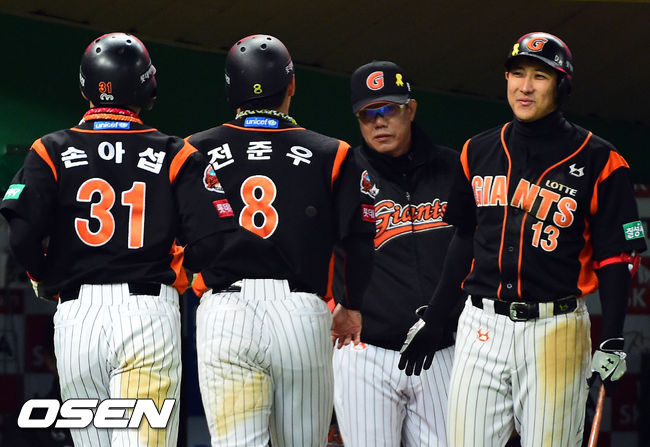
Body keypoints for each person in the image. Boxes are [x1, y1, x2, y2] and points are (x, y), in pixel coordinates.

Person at [398, 31, 646, 446]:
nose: (525, 87)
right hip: (481, 325)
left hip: (555, 329)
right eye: (517, 73)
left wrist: (613, 336)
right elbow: (464, 239)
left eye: (540, 76)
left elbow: (615, 258)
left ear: (561, 86)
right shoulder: (477, 150)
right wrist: (437, 315)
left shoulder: (600, 159)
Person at [0, 32, 239, 446]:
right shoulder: (176, 152)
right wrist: (181, 268)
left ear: (85, 87)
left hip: (78, 317)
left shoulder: (49, 149)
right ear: (147, 87)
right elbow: (214, 240)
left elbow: (20, 234)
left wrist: (42, 275)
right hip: (147, 314)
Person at [186, 35, 376, 447]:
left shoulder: (194, 150)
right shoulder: (332, 152)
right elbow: (359, 238)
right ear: (291, 84)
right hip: (300, 313)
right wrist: (351, 305)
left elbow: (180, 235)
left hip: (225, 311)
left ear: (231, 89)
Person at [331, 60, 462, 447]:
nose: (378, 122)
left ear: (411, 109)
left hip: (442, 348)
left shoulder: (453, 168)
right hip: (364, 351)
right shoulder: (342, 173)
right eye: (367, 114)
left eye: (388, 109)